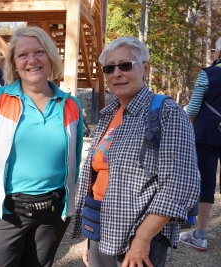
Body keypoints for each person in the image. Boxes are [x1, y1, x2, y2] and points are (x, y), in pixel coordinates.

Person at [0, 26, 83, 267]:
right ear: (13, 63)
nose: (32, 60)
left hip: (52, 217)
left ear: (51, 57)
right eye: (23, 55)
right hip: (5, 215)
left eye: (39, 52)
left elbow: (74, 163)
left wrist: (70, 208)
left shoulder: (71, 106)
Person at [72, 36, 200, 267]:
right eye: (109, 68)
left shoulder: (167, 112)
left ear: (146, 68)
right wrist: (90, 238)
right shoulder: (109, 113)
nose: (116, 73)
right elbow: (97, 178)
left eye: (125, 65)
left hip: (137, 236)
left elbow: (180, 184)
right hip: (101, 227)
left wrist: (142, 239)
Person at [180, 37, 221, 251]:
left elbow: (194, 108)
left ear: (219, 53)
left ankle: (200, 235)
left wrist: (187, 125)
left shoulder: (208, 74)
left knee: (206, 183)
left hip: (208, 134)